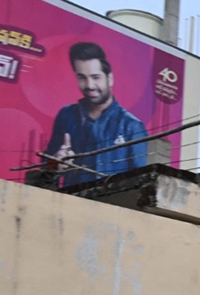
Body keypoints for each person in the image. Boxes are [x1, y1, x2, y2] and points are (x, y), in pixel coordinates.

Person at [44, 41, 147, 187]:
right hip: (70, 203)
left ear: (109, 78)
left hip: (111, 206)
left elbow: (140, 181)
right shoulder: (66, 116)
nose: (89, 85)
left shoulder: (131, 126)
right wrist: (55, 163)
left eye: (95, 77)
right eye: (82, 77)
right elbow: (44, 169)